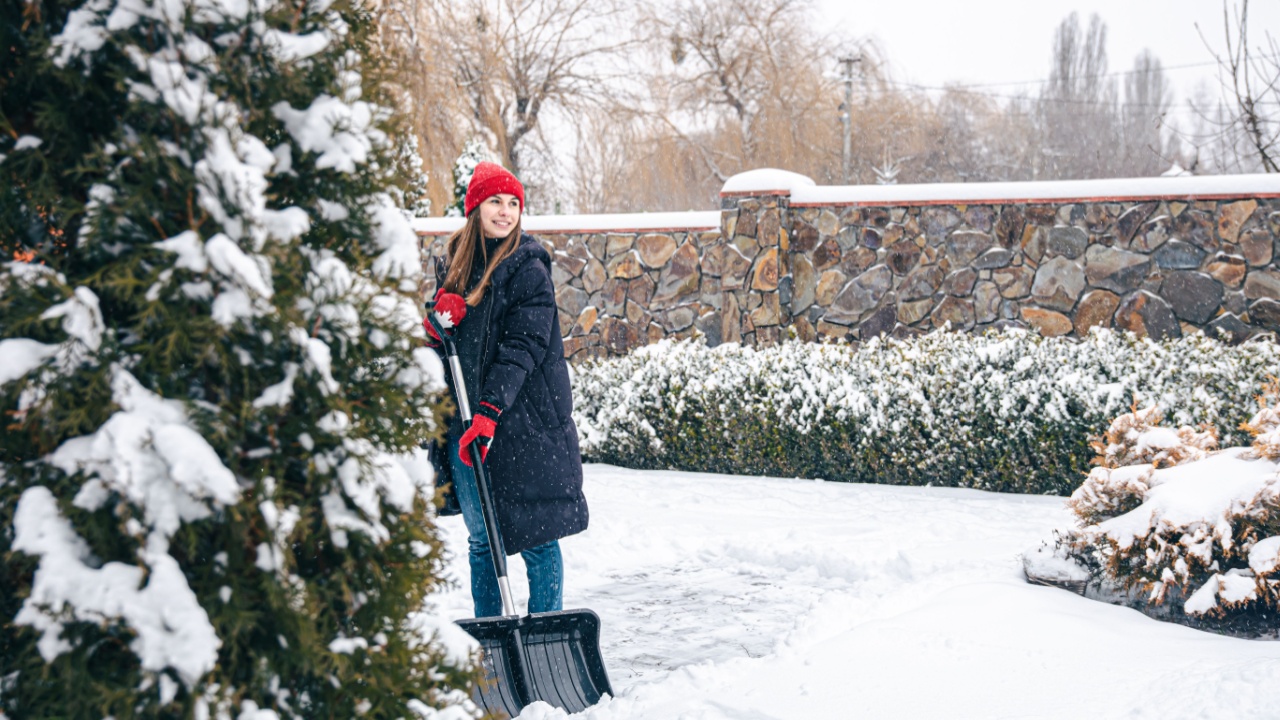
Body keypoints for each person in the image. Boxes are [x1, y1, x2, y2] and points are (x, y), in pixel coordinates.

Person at [424, 161, 588, 618]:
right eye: (495, 201)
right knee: (481, 541)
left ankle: (545, 630)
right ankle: (493, 637)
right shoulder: (456, 266)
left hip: (519, 426)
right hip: (466, 423)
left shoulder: (528, 267)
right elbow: (447, 349)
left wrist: (491, 410)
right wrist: (437, 326)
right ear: (474, 208)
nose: (505, 211)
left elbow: (525, 344)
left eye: (513, 203)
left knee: (537, 540)